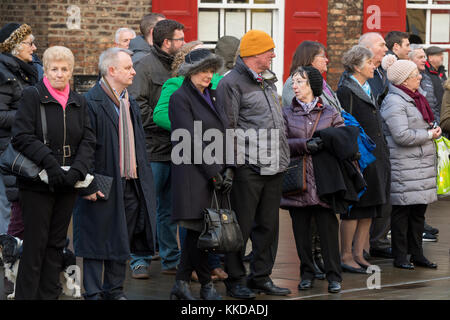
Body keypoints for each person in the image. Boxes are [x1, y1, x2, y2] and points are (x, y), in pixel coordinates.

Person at [11, 45, 96, 299]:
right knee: (35, 245)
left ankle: (49, 295)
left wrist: (78, 170)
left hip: (68, 181)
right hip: (37, 181)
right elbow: (22, 136)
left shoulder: (79, 101)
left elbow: (89, 140)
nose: (59, 74)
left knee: (57, 244)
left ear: (71, 71)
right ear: (45, 70)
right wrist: (50, 162)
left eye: (65, 69)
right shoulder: (32, 95)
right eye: (54, 69)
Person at [73, 47, 157, 300]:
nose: (133, 71)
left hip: (130, 182)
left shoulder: (127, 101)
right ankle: (93, 291)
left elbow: (138, 144)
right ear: (112, 71)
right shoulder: (91, 101)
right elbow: (83, 147)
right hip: (101, 181)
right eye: (128, 67)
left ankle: (114, 289)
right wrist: (87, 183)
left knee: (123, 238)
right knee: (95, 240)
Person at [216, 30, 291, 299]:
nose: (273, 54)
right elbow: (228, 126)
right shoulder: (231, 83)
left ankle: (261, 277)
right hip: (248, 167)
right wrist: (234, 166)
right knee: (241, 227)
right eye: (269, 50)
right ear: (255, 53)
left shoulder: (267, 81)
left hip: (274, 165)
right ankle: (235, 280)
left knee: (269, 226)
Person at [153, 40, 227, 281]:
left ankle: (182, 285)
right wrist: (213, 173)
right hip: (192, 172)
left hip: (211, 170)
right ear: (190, 71)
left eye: (211, 70)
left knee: (201, 233)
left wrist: (227, 168)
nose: (208, 75)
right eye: (203, 70)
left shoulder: (212, 95)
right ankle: (203, 284)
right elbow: (190, 139)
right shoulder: (179, 97)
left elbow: (224, 131)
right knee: (196, 232)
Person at [128, 19, 185, 278]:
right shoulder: (144, 67)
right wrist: (171, 124)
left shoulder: (181, 67)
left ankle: (171, 259)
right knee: (146, 207)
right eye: (180, 40)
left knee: (170, 210)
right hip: (152, 150)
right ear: (166, 42)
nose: (183, 43)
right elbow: (137, 107)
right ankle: (138, 258)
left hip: (177, 150)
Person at [281, 40, 342, 280]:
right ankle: (306, 273)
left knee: (327, 230)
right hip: (298, 179)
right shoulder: (285, 113)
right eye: (294, 82)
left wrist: (325, 142)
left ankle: (334, 276)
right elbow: (279, 143)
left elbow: (342, 139)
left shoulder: (330, 112)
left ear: (312, 86)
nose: (294, 86)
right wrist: (305, 145)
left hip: (324, 178)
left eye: (300, 82)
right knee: (301, 232)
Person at [380, 54, 439, 270]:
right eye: (415, 75)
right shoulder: (394, 101)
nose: (420, 78)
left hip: (419, 166)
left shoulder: (416, 97)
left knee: (417, 213)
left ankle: (417, 254)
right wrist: (429, 135)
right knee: (401, 213)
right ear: (404, 80)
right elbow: (401, 136)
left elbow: (422, 125)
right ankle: (401, 256)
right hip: (403, 165)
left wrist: (433, 129)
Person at [337, 45, 391, 273]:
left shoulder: (369, 86)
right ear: (358, 66)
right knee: (354, 208)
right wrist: (354, 156)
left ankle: (359, 254)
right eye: (369, 62)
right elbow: (345, 124)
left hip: (376, 155)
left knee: (371, 207)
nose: (374, 65)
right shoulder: (346, 90)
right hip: (359, 157)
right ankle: (346, 255)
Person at [0, 23, 39, 238]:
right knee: (8, 208)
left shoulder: (22, 71)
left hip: (19, 148)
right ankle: (8, 258)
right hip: (7, 151)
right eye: (29, 43)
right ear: (14, 46)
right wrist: (30, 115)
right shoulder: (4, 74)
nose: (34, 48)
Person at [358, 32, 392, 259]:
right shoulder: (361, 77)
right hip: (368, 146)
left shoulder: (381, 73)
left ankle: (377, 240)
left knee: (384, 194)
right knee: (369, 198)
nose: (386, 48)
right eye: (382, 45)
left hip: (382, 141)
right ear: (368, 48)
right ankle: (365, 245)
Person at [409, 45, 440, 242]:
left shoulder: (427, 77)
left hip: (427, 138)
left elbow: (432, 106)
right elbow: (402, 132)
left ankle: (420, 224)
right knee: (412, 191)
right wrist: (429, 132)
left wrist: (433, 126)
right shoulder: (400, 95)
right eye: (420, 56)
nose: (424, 60)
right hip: (415, 146)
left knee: (422, 190)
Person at [283, 41, 343, 113]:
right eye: (323, 56)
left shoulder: (321, 82)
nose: (326, 60)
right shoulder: (293, 83)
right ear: (311, 59)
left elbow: (337, 109)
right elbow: (303, 115)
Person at [422, 46, 448, 124]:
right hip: (433, 116)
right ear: (430, 58)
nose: (442, 57)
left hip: (443, 113)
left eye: (442, 54)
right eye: (439, 55)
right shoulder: (424, 72)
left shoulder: (441, 71)